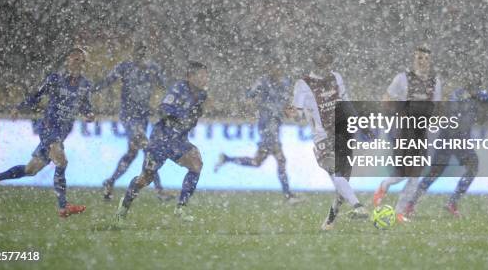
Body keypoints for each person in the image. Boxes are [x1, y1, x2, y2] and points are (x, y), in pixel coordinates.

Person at [0, 47, 95, 218]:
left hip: (62, 132)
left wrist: (89, 114)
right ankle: (63, 206)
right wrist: (18, 108)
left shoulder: (85, 85)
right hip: (49, 127)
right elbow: (36, 95)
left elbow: (86, 105)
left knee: (31, 169)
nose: (75, 61)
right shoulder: (55, 79)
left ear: (83, 63)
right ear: (67, 61)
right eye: (73, 58)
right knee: (62, 161)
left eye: (79, 59)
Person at [115, 61, 208, 223]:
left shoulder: (202, 95)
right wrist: (178, 118)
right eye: (200, 75)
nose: (204, 78)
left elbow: (193, 116)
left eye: (206, 75)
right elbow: (163, 109)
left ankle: (181, 208)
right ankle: (123, 207)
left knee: (196, 164)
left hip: (178, 141)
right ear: (189, 77)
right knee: (145, 179)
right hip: (161, 140)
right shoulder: (179, 88)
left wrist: (191, 119)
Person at [291, 46, 368, 231]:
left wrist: (361, 124)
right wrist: (294, 113)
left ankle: (330, 221)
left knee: (343, 183)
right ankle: (359, 207)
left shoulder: (336, 77)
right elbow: (298, 113)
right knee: (337, 173)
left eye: (327, 58)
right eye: (320, 58)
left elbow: (346, 102)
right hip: (322, 138)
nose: (324, 62)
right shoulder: (303, 84)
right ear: (315, 61)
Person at [406, 74, 488, 217]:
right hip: (453, 138)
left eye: (477, 88)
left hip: (450, 138)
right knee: (464, 167)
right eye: (474, 87)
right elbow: (455, 112)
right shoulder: (458, 95)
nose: (476, 90)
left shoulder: (475, 96)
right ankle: (448, 202)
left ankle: (413, 203)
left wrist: (485, 96)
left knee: (438, 172)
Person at [214, 62, 302, 203]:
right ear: (269, 69)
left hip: (276, 123)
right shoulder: (263, 83)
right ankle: (288, 195)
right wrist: (252, 104)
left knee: (257, 162)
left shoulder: (285, 82)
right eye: (274, 68)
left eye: (279, 68)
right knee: (280, 159)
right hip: (267, 123)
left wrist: (293, 113)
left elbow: (286, 102)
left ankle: (227, 159)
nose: (277, 71)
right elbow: (248, 95)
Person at [373, 45, 442, 222]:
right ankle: (386, 189)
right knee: (407, 172)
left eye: (426, 59)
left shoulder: (435, 82)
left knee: (413, 174)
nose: (423, 62)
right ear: (414, 59)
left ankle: (398, 211)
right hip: (404, 131)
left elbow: (436, 106)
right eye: (419, 58)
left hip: (421, 133)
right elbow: (387, 98)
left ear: (430, 61)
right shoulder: (402, 79)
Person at [94, 41, 170, 200]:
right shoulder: (125, 67)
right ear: (134, 55)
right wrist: (88, 90)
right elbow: (107, 81)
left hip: (143, 116)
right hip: (129, 116)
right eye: (139, 54)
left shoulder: (153, 68)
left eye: (144, 54)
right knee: (148, 148)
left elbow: (166, 86)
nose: (141, 57)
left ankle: (110, 182)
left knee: (132, 153)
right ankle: (159, 190)